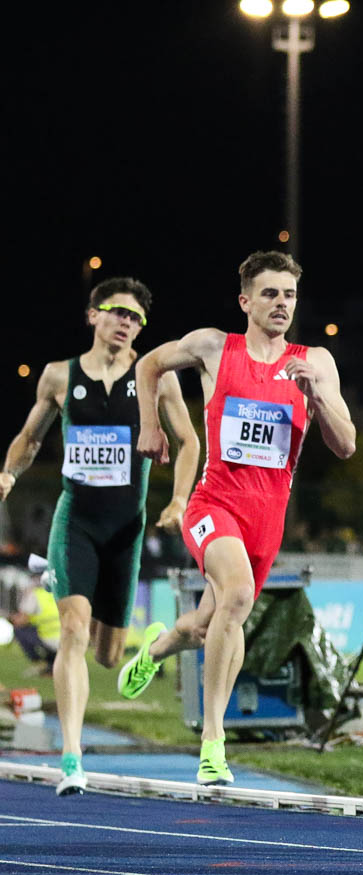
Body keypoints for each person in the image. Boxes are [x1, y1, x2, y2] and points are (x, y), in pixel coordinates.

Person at [115, 252, 357, 786]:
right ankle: (213, 741)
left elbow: (346, 445)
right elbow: (148, 364)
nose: (281, 304)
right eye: (270, 294)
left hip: (266, 522)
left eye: (289, 295)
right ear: (245, 301)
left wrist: (316, 395)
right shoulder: (213, 347)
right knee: (240, 596)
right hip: (213, 506)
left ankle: (157, 647)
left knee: (209, 624)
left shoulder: (315, 362)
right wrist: (151, 426)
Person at [0, 278, 198, 795]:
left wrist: (179, 500)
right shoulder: (58, 376)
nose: (126, 323)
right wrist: (8, 474)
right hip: (76, 521)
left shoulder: (156, 378)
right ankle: (72, 758)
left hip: (125, 529)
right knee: (72, 631)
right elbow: (29, 438)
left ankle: (150, 650)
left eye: (136, 318)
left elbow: (189, 441)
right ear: (93, 315)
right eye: (117, 312)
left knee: (108, 655)